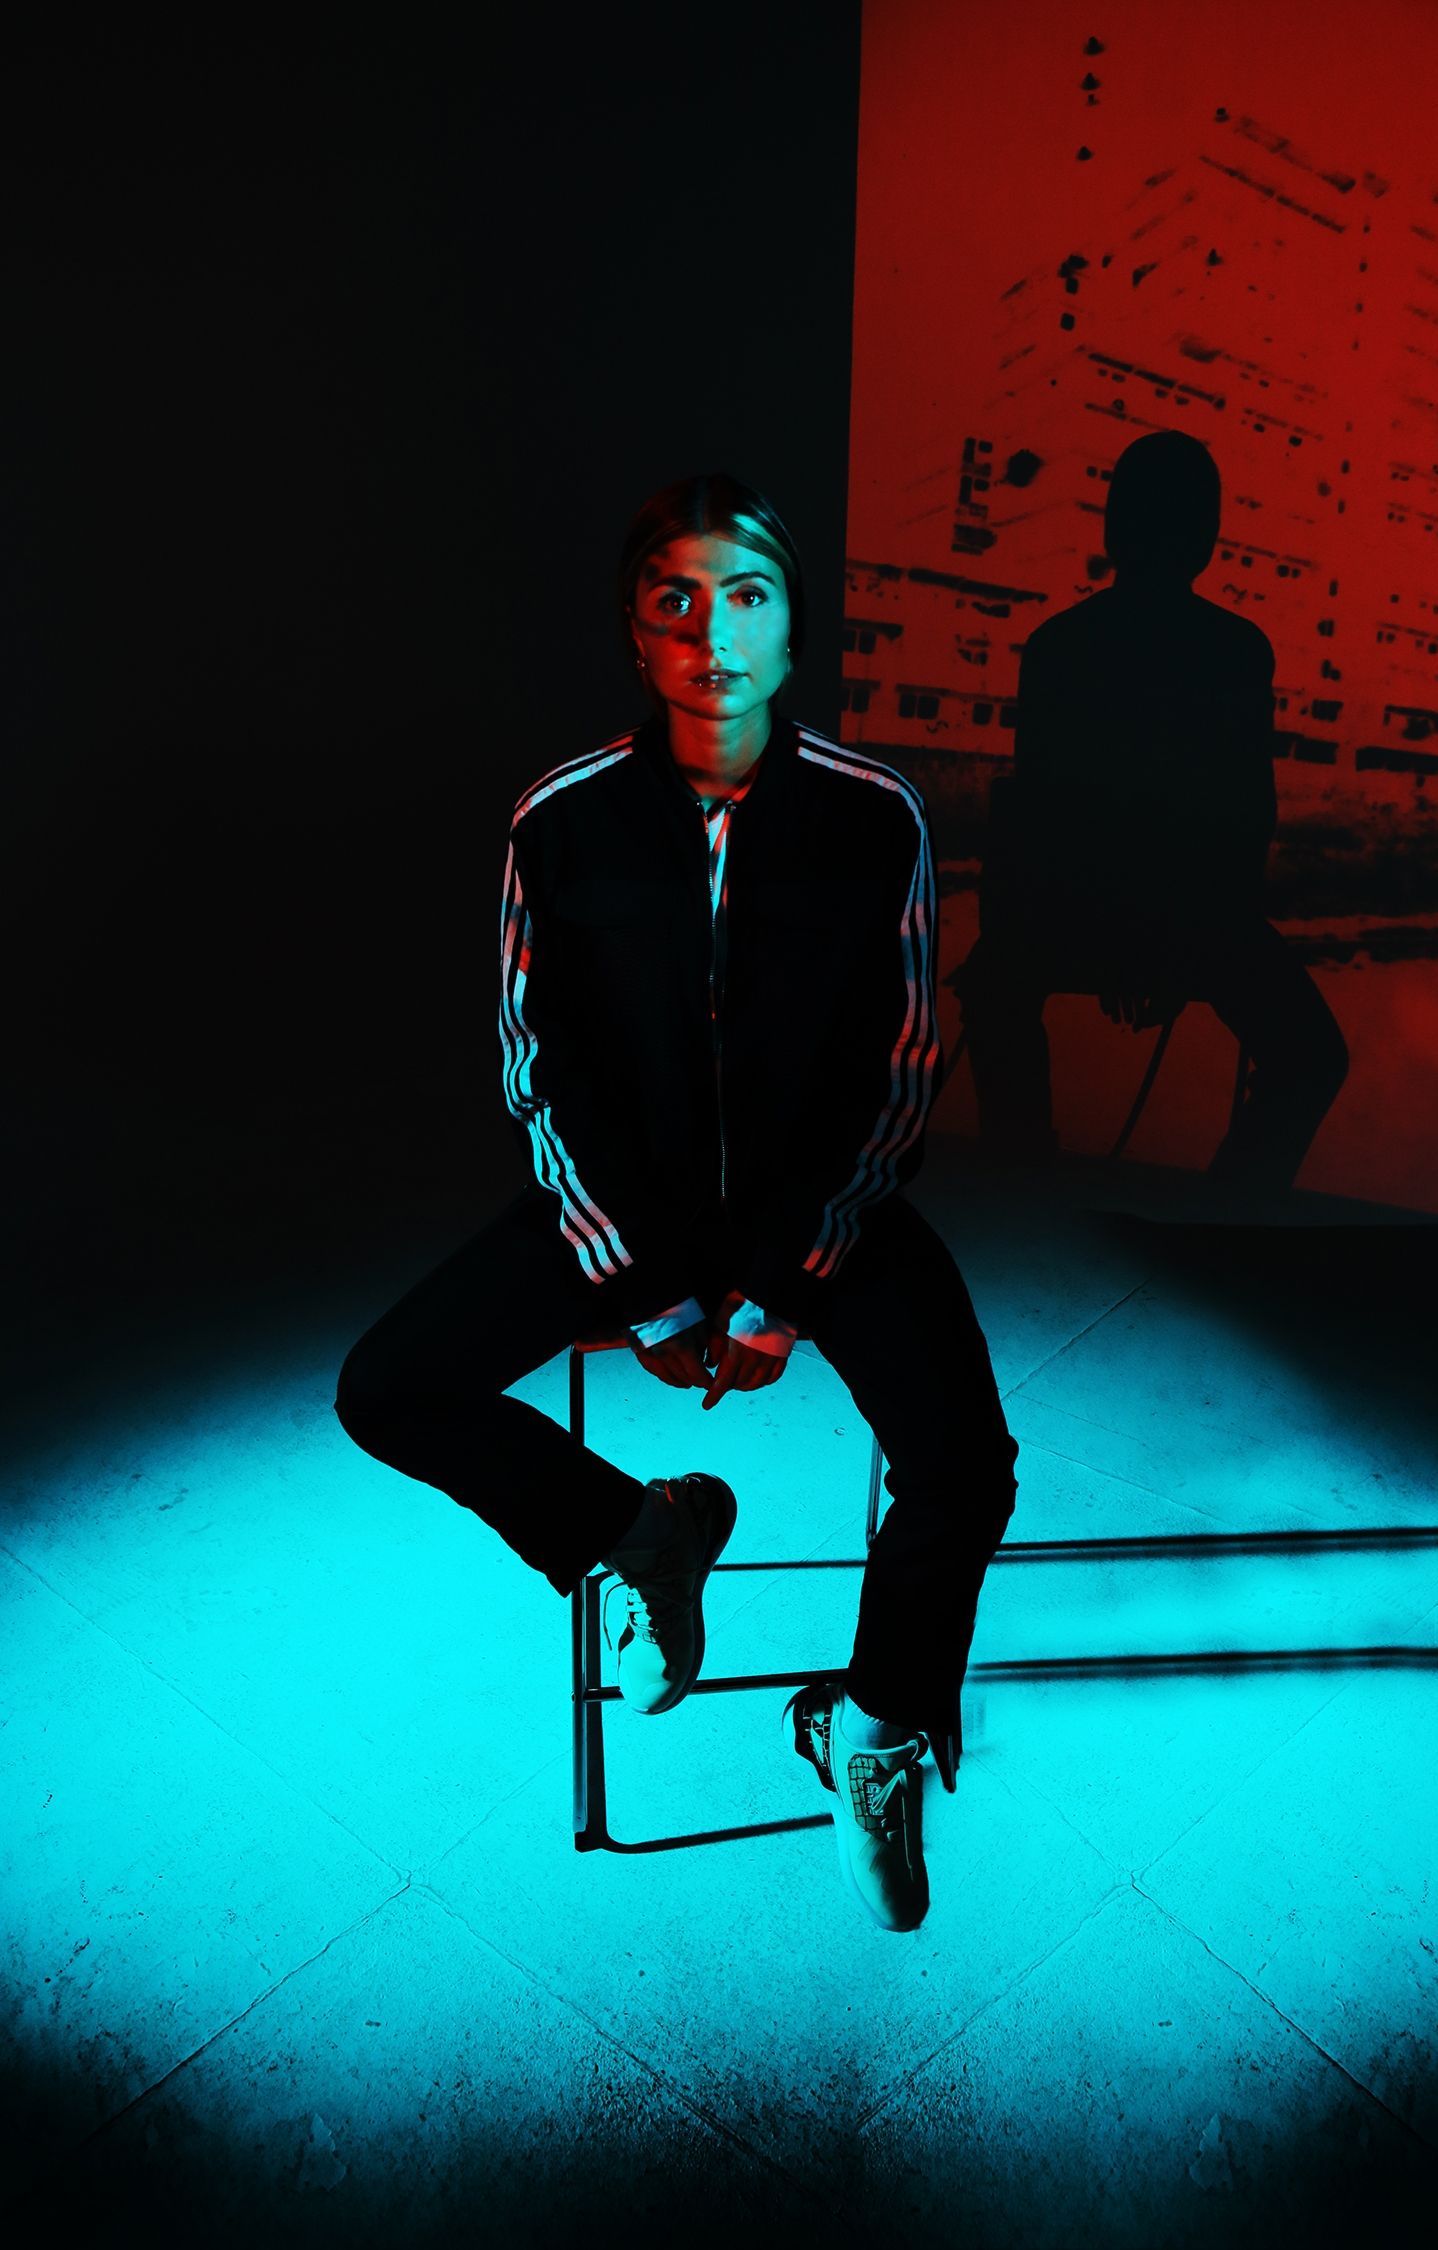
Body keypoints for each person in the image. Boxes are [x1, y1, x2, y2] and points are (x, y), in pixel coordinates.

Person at [334, 473, 1019, 1933]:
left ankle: (871, 1725)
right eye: (676, 600)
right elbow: (538, 1068)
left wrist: (783, 1286)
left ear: (793, 630)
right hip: (623, 1213)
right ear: (637, 637)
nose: (713, 634)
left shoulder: (877, 814)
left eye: (746, 597)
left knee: (967, 1464)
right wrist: (647, 1292)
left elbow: (900, 1070)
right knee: (386, 1387)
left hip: (819, 1210)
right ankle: (640, 1534)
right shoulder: (559, 819)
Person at [956, 429, 1348, 1204]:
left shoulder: (1057, 646)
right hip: (1195, 919)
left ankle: (1022, 1181)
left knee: (995, 989)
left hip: (1073, 911)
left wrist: (1106, 929)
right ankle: (1232, 1209)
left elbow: (1038, 817)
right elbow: (1245, 820)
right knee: (1312, 1058)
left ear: (1114, 529)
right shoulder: (1237, 651)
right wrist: (1178, 944)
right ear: (1206, 537)